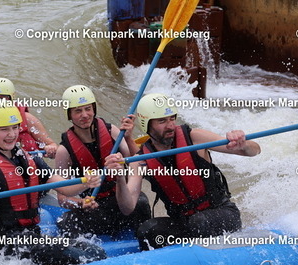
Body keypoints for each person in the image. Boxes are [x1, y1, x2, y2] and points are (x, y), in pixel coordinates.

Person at [0, 100, 107, 265]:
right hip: (4, 243)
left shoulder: (32, 161)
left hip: (31, 237)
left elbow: (66, 188)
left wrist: (86, 182)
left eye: (15, 127)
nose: (11, 134)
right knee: (80, 257)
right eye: (4, 129)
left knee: (95, 251)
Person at [104, 93, 261, 250]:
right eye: (162, 121)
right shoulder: (140, 160)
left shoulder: (195, 138)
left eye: (172, 118)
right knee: (147, 230)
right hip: (184, 222)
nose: (170, 125)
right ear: (147, 125)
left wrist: (243, 143)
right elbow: (127, 207)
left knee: (199, 222)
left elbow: (254, 151)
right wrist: (119, 178)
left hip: (221, 214)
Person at [54, 85, 151, 239]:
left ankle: (145, 239)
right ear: (69, 115)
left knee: (142, 202)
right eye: (78, 111)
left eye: (88, 109)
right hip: (96, 209)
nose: (85, 115)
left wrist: (128, 137)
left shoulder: (113, 131)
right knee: (65, 221)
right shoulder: (64, 151)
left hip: (122, 202)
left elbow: (137, 164)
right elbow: (62, 199)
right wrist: (81, 203)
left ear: (94, 109)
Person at [0, 77, 58, 158]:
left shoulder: (28, 119)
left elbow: (52, 145)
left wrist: (51, 149)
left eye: (2, 98)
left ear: (11, 99)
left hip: (28, 163)